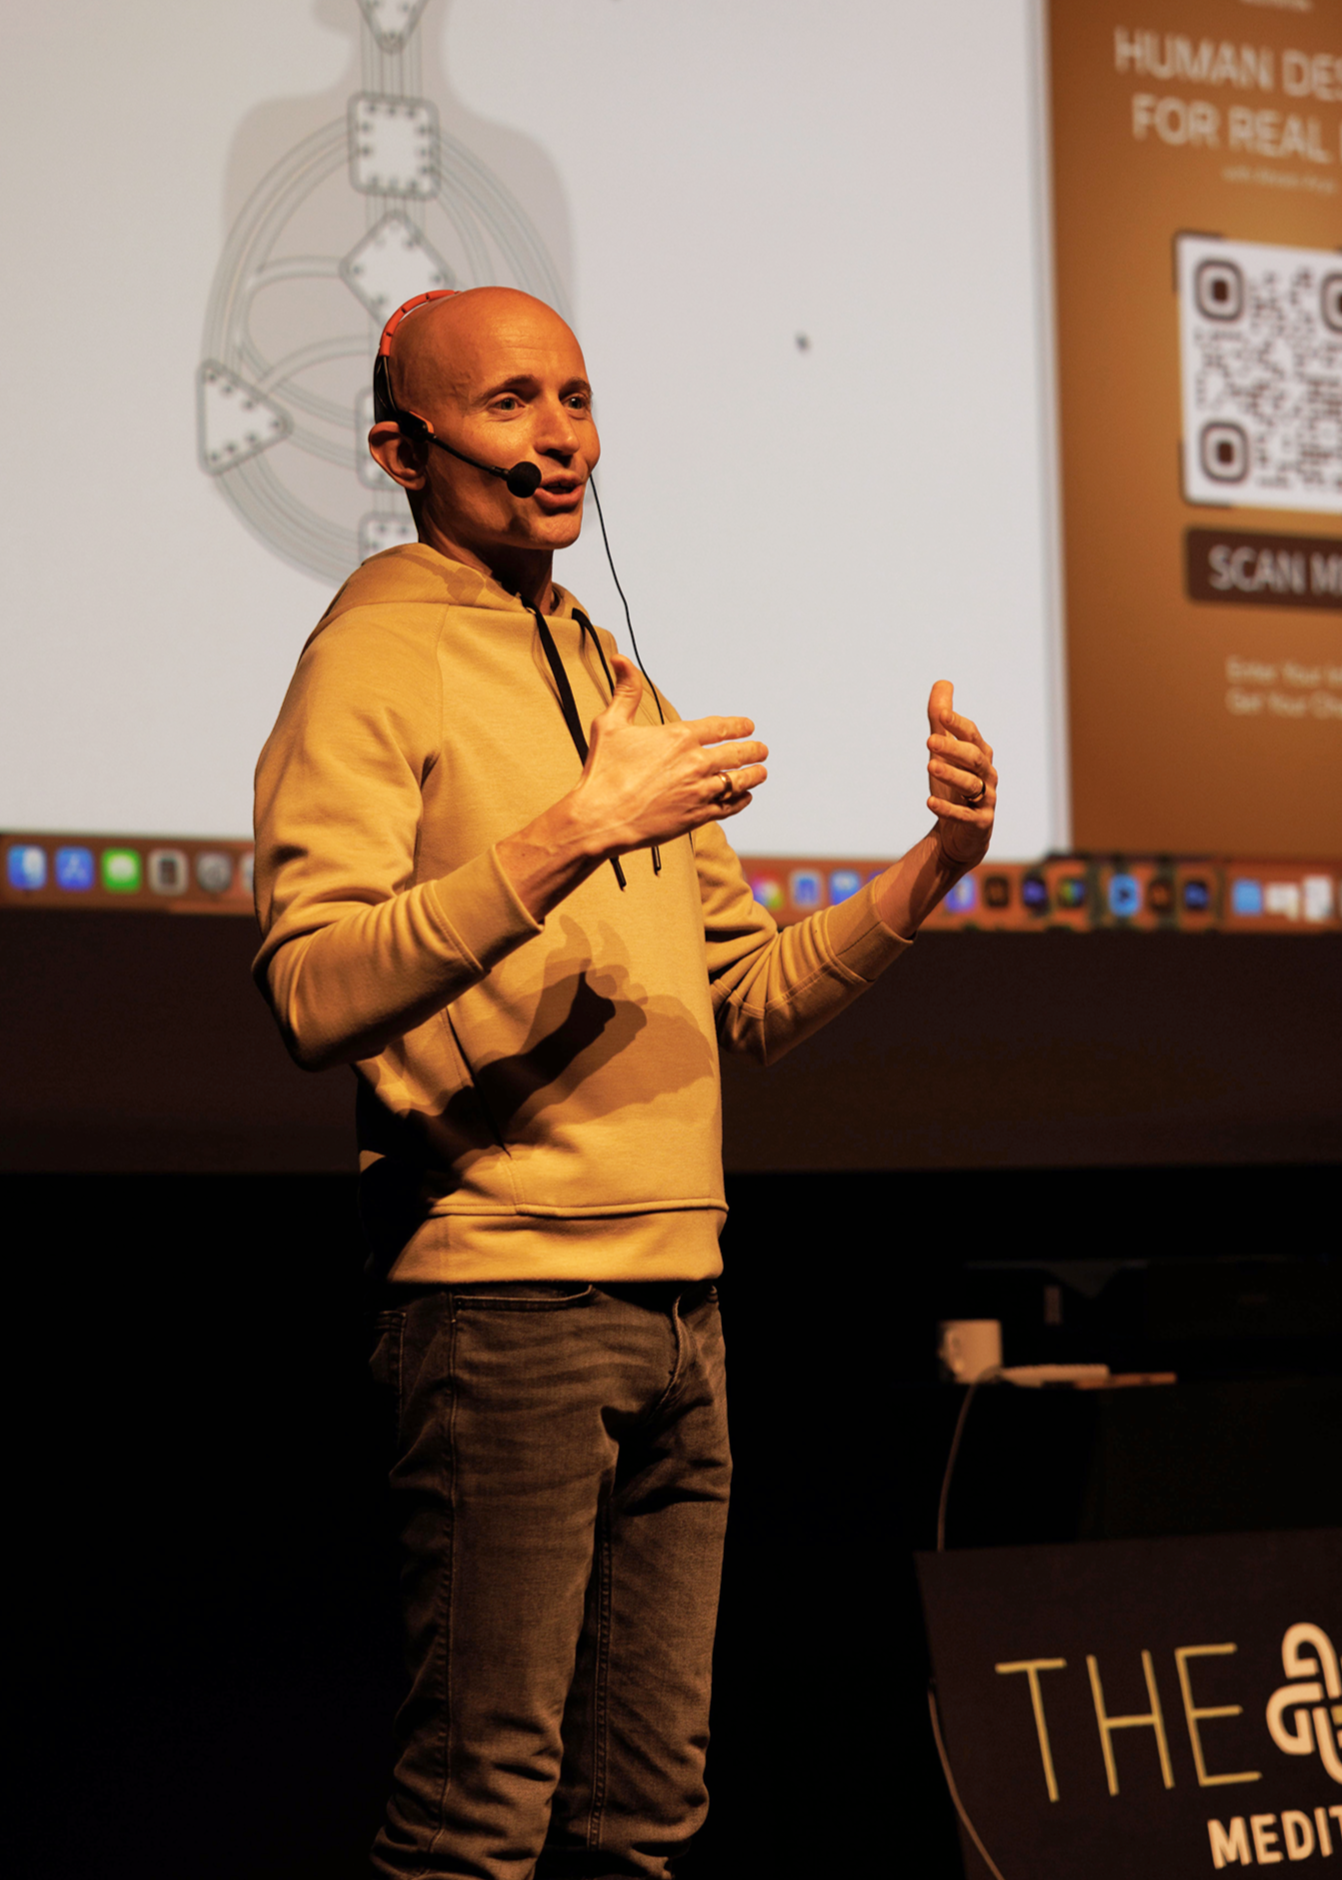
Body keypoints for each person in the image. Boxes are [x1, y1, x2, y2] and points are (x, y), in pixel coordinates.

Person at [252, 286, 996, 1880]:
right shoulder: (372, 655)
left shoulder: (611, 677)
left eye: (577, 398)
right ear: (404, 444)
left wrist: (936, 867)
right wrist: (569, 833)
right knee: (476, 1821)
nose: (561, 438)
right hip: (504, 1305)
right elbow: (312, 990)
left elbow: (744, 995)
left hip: (684, 1306)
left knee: (643, 1819)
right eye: (514, 402)